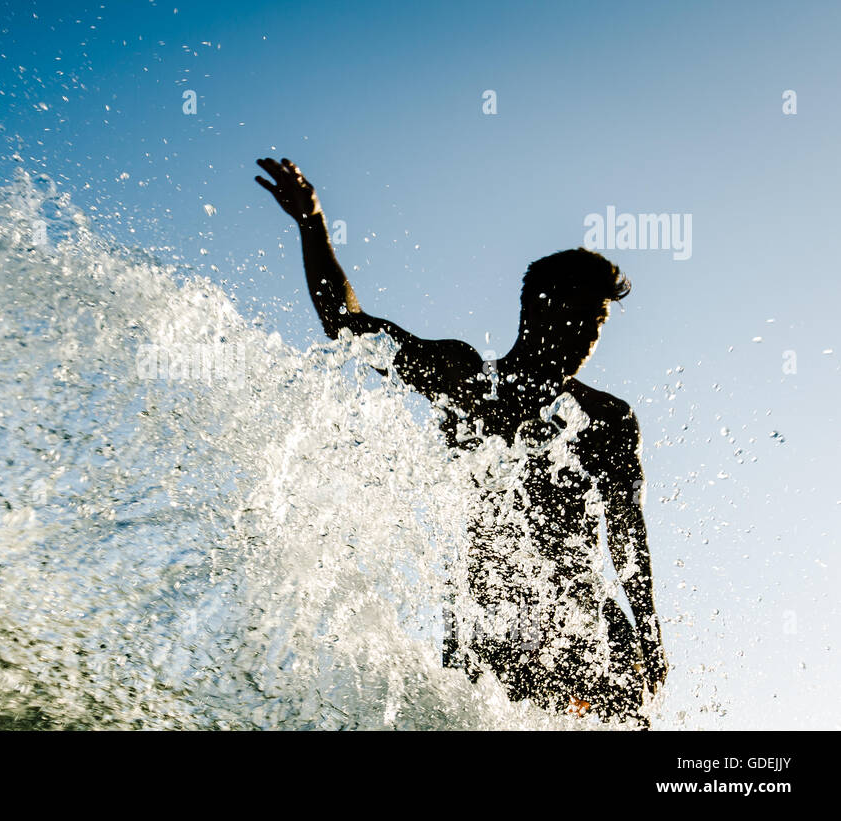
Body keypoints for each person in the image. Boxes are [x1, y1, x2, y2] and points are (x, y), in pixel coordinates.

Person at [255, 157, 667, 725]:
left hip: (586, 624)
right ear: (535, 310)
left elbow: (627, 536)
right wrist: (313, 225)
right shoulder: (465, 380)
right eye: (576, 321)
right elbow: (346, 324)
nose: (584, 341)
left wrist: (650, 634)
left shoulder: (607, 420)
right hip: (489, 622)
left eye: (596, 327)